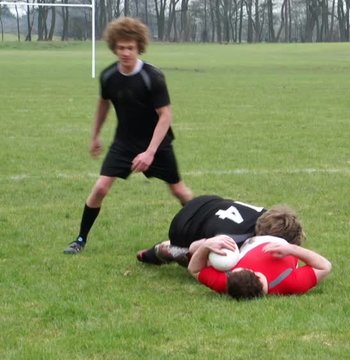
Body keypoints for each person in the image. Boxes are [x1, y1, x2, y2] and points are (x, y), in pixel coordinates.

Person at [64, 17, 193, 254]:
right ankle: (80, 239)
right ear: (114, 47)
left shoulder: (152, 76)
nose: (125, 52)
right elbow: (103, 105)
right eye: (121, 47)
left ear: (139, 47)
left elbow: (165, 116)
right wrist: (94, 136)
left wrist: (150, 152)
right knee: (101, 187)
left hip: (157, 143)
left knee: (179, 191)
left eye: (130, 48)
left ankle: (203, 230)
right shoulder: (108, 76)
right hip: (124, 142)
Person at [136, 195, 306, 266]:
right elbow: (197, 246)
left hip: (208, 201)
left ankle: (154, 252)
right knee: (221, 262)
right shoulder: (236, 238)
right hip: (183, 225)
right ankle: (166, 249)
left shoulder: (268, 216)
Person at [188, 235, 332, 300]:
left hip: (250, 236)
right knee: (284, 218)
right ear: (254, 273)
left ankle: (172, 247)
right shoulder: (291, 283)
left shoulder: (226, 283)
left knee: (195, 247)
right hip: (284, 236)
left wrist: (206, 246)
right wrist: (292, 249)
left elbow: (194, 269)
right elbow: (325, 266)